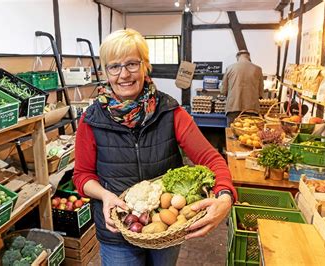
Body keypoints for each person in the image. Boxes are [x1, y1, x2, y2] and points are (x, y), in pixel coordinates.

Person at [73, 28, 237, 266]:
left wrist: (224, 197)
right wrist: (105, 195)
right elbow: (82, 175)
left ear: (145, 65)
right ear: (105, 72)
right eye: (114, 66)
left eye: (132, 64)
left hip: (166, 230)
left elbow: (211, 159)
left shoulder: (171, 112)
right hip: (117, 233)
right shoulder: (92, 119)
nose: (124, 74)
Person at [220, 50, 264, 125]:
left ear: (237, 57)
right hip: (251, 108)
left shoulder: (229, 68)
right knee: (249, 133)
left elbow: (223, 91)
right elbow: (260, 92)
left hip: (233, 107)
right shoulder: (258, 69)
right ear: (249, 57)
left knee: (232, 132)